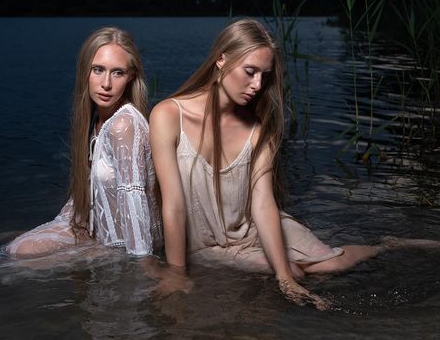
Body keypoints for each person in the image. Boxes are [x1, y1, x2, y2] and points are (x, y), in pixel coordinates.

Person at [149, 18, 440, 309]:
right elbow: (173, 204)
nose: (257, 85)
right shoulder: (168, 115)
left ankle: (385, 245)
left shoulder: (257, 128)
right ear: (222, 59)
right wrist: (176, 273)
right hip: (205, 244)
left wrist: (284, 277)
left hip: (251, 227)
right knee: (295, 272)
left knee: (331, 265)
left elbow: (263, 204)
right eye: (250, 72)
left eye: (264, 75)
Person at [0, 27, 162, 261]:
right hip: (95, 228)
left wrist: (142, 265)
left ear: (131, 76)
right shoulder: (98, 120)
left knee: (18, 256)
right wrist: (61, 226)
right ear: (85, 71)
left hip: (122, 242)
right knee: (17, 248)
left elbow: (133, 200)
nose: (106, 84)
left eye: (118, 73)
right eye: (98, 70)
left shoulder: (123, 125)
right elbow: (88, 192)